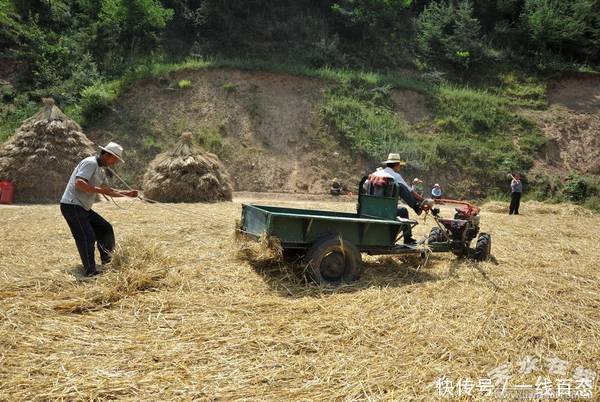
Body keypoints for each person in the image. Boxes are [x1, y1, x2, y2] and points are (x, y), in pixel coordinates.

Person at [60, 142, 138, 276]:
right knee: (87, 237)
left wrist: (128, 194)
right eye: (115, 159)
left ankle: (107, 263)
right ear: (107, 155)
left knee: (105, 228)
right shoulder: (90, 163)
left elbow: (107, 191)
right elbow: (79, 183)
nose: (115, 163)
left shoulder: (100, 169)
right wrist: (102, 190)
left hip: (83, 207)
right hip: (72, 205)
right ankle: (90, 271)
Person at [365, 153, 429, 244]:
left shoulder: (374, 174)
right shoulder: (395, 177)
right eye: (399, 165)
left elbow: (364, 187)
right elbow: (410, 191)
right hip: (384, 211)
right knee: (403, 210)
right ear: (397, 165)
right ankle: (408, 238)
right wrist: (424, 201)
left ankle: (417, 207)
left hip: (369, 209)